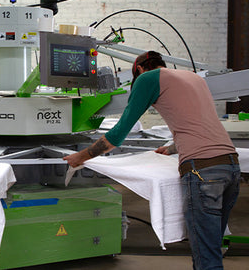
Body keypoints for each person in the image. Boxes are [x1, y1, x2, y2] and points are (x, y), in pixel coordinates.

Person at [63, 51, 241, 270]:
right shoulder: (194, 78)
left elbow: (118, 134)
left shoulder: (147, 79)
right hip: (230, 166)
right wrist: (173, 148)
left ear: (138, 69)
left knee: (207, 259)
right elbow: (201, 124)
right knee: (211, 248)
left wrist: (80, 157)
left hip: (203, 171)